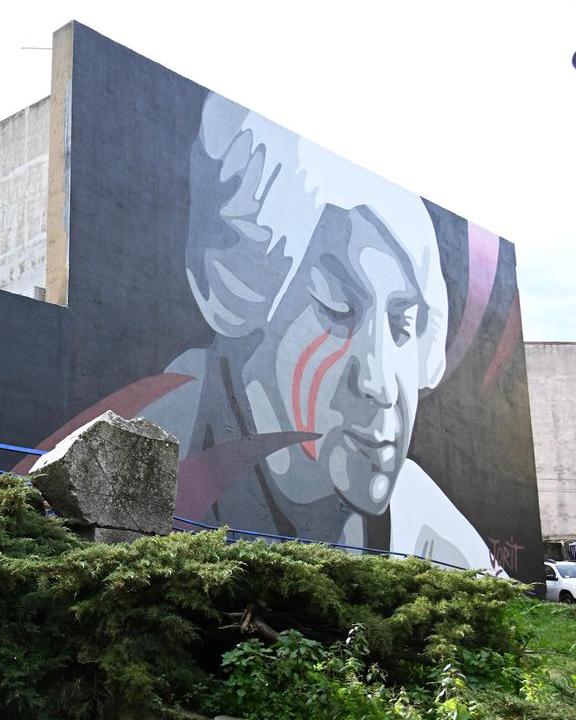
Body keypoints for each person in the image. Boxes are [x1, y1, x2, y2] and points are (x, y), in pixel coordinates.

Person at [134, 92, 503, 573]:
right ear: (242, 292)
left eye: (402, 324)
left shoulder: (435, 537)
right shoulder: (150, 453)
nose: (380, 382)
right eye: (338, 307)